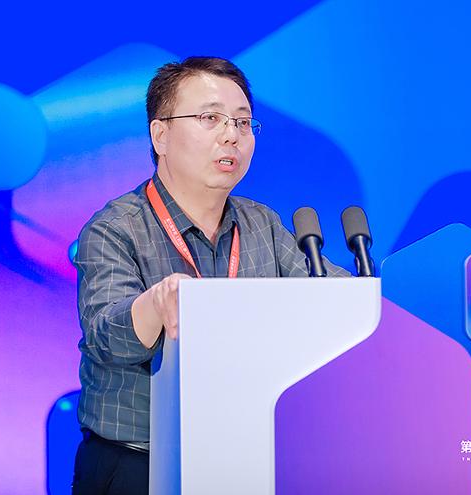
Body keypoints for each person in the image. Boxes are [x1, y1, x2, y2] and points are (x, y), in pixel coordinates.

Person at [71, 57, 346, 494]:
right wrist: (156, 304)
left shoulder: (262, 224)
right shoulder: (115, 229)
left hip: (245, 458)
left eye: (243, 122)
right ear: (160, 135)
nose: (231, 135)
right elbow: (106, 337)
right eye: (210, 118)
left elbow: (332, 299)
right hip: (137, 464)